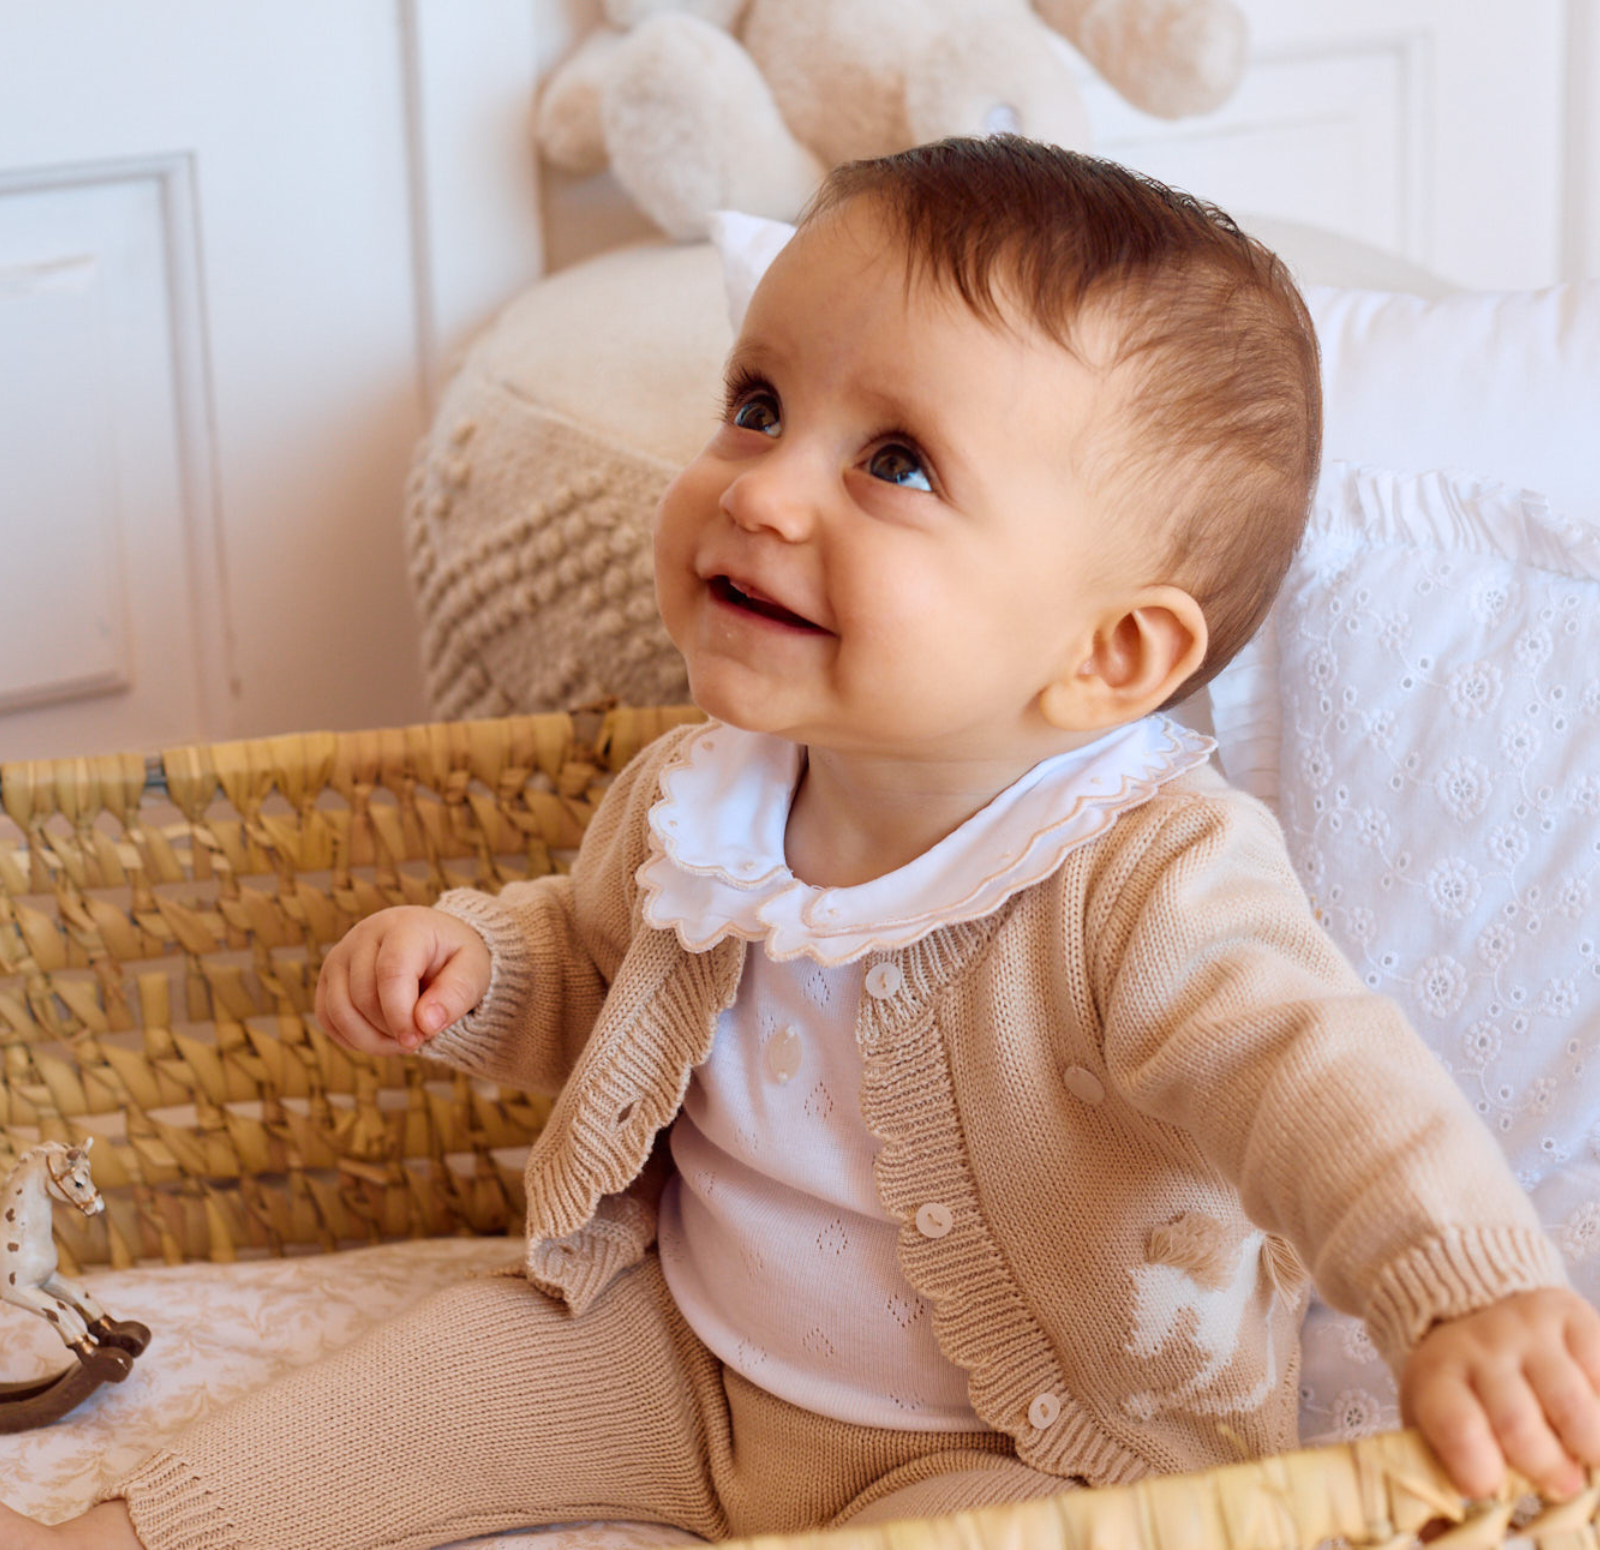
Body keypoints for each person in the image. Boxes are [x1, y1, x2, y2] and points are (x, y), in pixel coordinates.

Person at [9, 136, 1599, 1550]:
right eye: (758, 407)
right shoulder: (704, 798)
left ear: (1110, 654)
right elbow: (597, 976)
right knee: (426, 1380)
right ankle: (125, 1530)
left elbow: (1312, 1074)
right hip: (682, 1357)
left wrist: (1461, 1287)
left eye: (894, 462)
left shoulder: (1146, 875)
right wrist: (476, 971)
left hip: (1032, 1446)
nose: (763, 491)